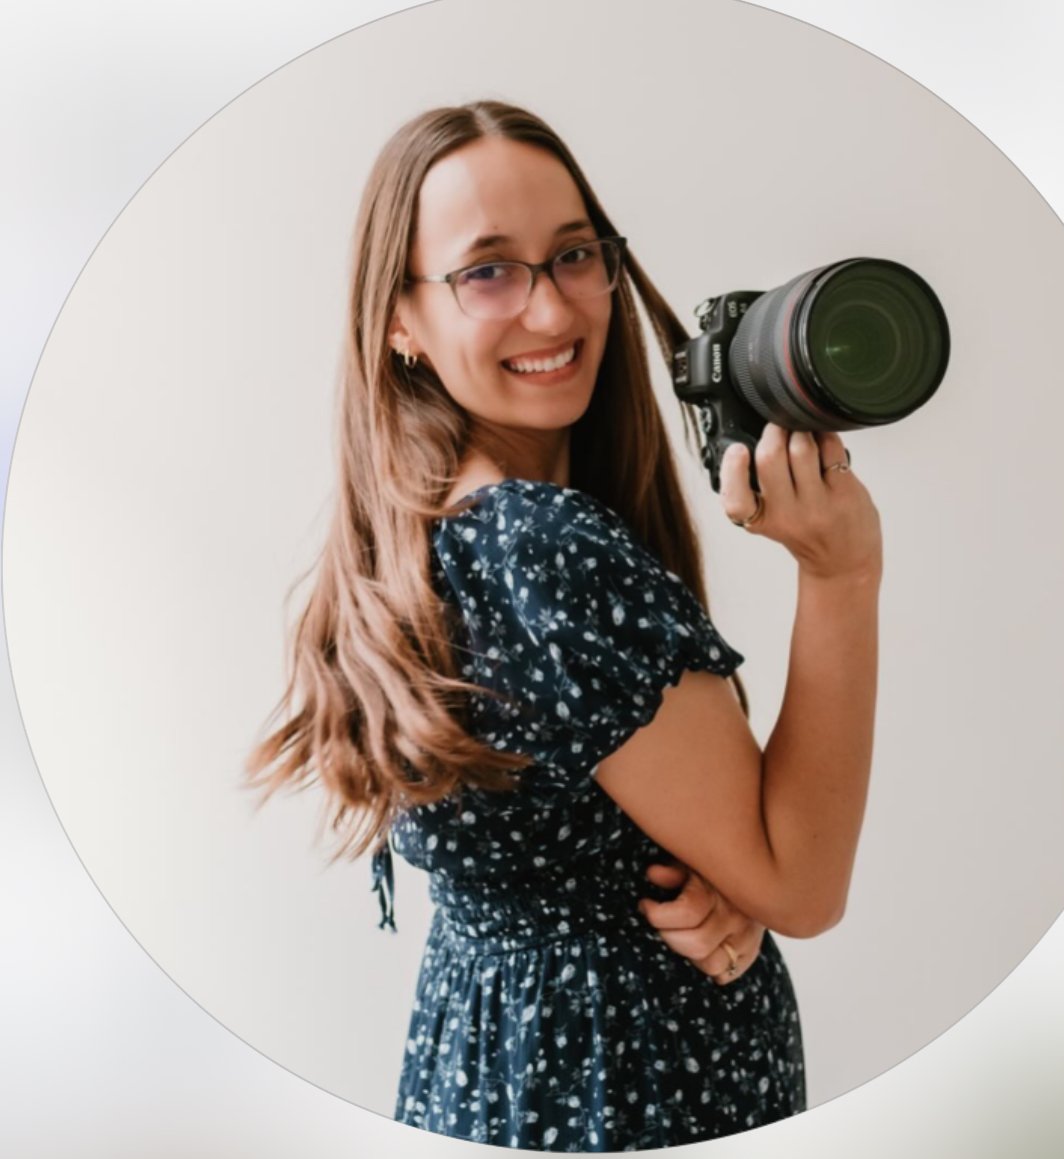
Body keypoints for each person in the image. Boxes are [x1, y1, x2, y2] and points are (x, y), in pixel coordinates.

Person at [246, 100, 882, 1151]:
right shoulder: (543, 547)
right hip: (626, 1083)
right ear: (398, 319)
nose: (553, 311)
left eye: (575, 254)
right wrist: (842, 570)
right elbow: (804, 879)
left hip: (495, 1060)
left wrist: (728, 874)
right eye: (487, 270)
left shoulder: (421, 530)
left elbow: (572, 841)